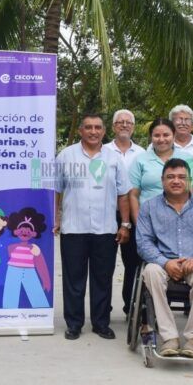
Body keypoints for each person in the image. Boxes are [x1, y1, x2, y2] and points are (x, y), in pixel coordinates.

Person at [136, 158, 193, 358]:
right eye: (170, 177)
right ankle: (169, 337)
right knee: (150, 271)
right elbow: (143, 243)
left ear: (189, 181)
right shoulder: (149, 208)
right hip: (163, 263)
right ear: (162, 181)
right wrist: (165, 262)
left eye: (181, 177)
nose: (176, 181)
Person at [54, 113, 132, 340]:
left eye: (98, 127)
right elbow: (56, 191)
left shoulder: (114, 158)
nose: (93, 131)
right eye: (88, 127)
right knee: (73, 280)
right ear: (80, 131)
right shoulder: (66, 156)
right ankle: (74, 324)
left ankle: (100, 323)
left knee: (102, 279)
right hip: (73, 228)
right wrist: (57, 218)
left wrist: (125, 224)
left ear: (104, 131)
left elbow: (123, 194)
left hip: (106, 229)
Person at [103, 109, 145, 317]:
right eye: (120, 122)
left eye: (129, 122)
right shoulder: (102, 151)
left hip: (135, 216)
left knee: (133, 265)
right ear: (113, 126)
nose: (124, 125)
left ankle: (131, 308)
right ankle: (103, 309)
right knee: (105, 266)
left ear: (134, 127)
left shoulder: (143, 153)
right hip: (107, 214)